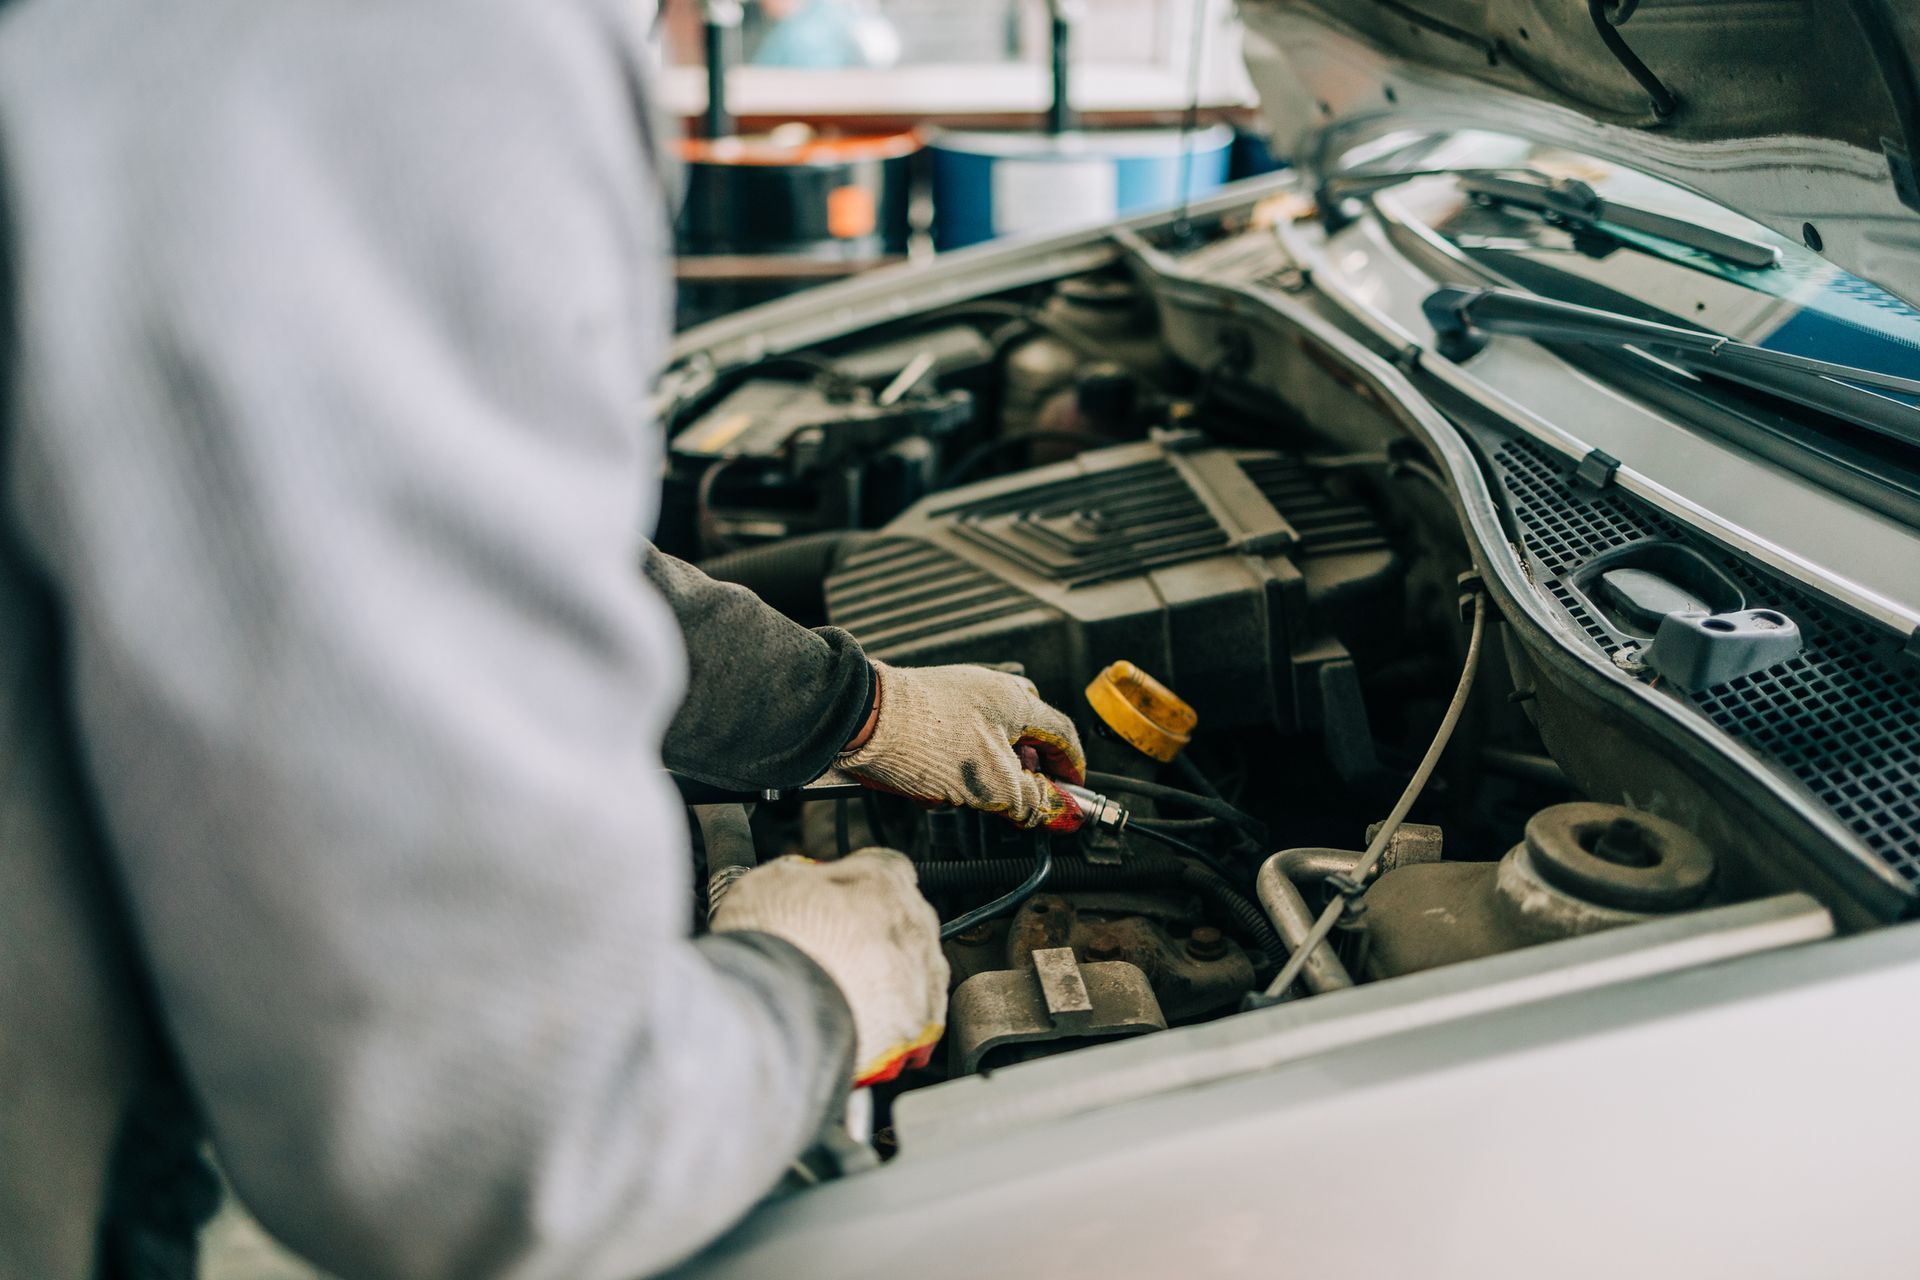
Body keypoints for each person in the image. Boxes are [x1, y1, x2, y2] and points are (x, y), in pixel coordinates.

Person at [0, 1, 1086, 1278]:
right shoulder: (402, 41)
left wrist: (854, 709)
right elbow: (490, 1147)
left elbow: (386, 505)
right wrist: (813, 993)